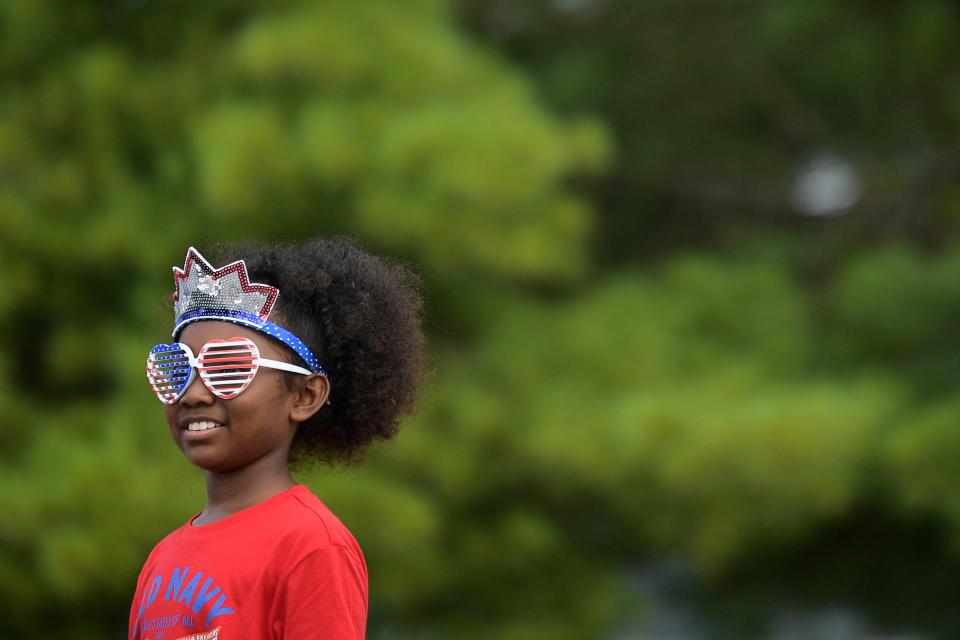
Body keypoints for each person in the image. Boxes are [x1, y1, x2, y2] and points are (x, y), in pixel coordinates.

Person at [129, 237, 425, 640]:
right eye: (178, 368)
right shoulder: (160, 559)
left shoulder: (312, 547)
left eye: (229, 367)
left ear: (304, 396)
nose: (194, 392)